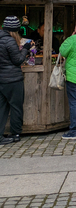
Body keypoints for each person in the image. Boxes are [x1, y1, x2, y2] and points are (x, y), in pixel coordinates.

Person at [0, 16, 31, 145]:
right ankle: (15, 133)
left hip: (1, 79)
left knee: (1, 108)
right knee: (16, 107)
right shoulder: (10, 41)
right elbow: (18, 60)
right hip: (13, 80)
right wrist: (25, 49)